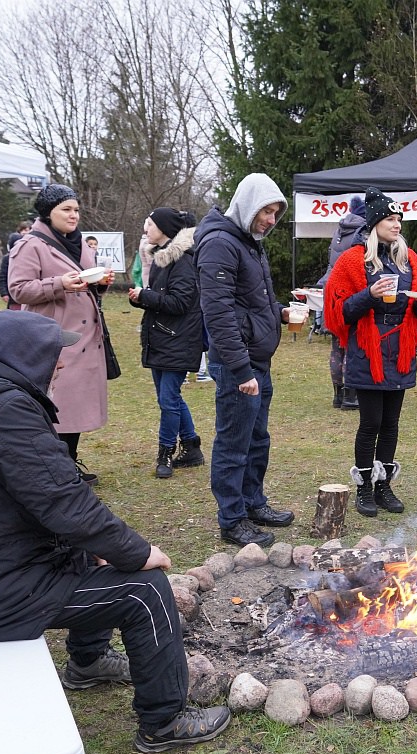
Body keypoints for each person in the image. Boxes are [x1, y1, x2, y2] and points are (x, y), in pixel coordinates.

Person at [0, 311, 230, 753]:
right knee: (145, 589)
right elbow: (66, 504)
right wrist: (134, 552)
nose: (60, 363)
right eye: (52, 355)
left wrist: (101, 547)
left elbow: (46, 502)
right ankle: (165, 722)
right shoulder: (6, 413)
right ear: (23, 357)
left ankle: (89, 662)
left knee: (89, 552)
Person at [195, 173, 294, 547]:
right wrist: (240, 371)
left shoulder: (250, 242)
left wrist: (279, 312)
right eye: (266, 211)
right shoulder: (220, 243)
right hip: (239, 364)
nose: (271, 220)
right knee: (233, 444)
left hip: (257, 360)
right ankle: (232, 519)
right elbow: (217, 314)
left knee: (257, 439)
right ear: (248, 205)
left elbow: (249, 301)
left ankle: (254, 503)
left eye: (275, 213)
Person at [324, 188, 417, 517]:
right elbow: (340, 313)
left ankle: (384, 485)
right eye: (390, 219)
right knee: (370, 422)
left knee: (391, 423)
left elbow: (416, 311)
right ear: (375, 223)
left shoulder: (409, 258)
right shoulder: (352, 260)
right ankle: (363, 488)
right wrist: (370, 295)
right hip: (366, 350)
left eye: (399, 218)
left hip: (399, 350)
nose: (397, 224)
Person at [8, 183, 115, 487]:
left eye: (76, 209)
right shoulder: (30, 245)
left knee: (76, 409)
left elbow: (87, 282)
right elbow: (17, 289)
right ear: (48, 212)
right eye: (66, 210)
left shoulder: (81, 244)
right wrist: (59, 284)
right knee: (58, 410)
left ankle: (67, 465)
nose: (73, 215)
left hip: (86, 340)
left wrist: (102, 282)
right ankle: (56, 471)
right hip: (53, 339)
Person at [129, 208, 206, 478]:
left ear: (164, 229)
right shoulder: (162, 259)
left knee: (168, 400)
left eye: (149, 224)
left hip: (179, 340)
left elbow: (181, 303)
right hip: (161, 338)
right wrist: (140, 297)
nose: (145, 229)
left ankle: (165, 454)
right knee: (169, 398)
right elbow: (161, 300)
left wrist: (146, 296)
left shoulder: (183, 261)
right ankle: (192, 446)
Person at [317, 195, 367, 411]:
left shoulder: (339, 231)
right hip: (351, 293)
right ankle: (350, 395)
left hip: (333, 291)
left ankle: (338, 395)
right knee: (352, 345)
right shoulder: (363, 232)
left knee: (337, 346)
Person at [0, 219, 32, 311]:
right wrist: (4, 293)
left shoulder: (30, 258)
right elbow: (2, 276)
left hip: (28, 297)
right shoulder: (7, 258)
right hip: (13, 297)